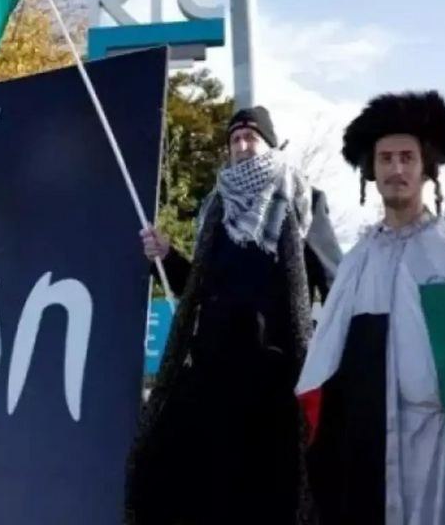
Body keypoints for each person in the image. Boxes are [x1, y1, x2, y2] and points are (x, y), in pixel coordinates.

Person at [126, 105, 341, 525]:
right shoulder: (215, 208)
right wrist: (166, 257)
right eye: (235, 140)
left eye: (251, 138)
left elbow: (333, 281)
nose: (242, 146)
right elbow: (199, 287)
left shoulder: (302, 199)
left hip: (276, 377)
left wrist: (335, 354)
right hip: (216, 376)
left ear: (269, 144)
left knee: (276, 492)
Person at [296, 91, 445, 524]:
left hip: (441, 451)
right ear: (372, 170)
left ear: (425, 168)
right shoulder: (357, 264)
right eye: (385, 159)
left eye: (406, 158)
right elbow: (326, 372)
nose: (396, 169)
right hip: (371, 455)